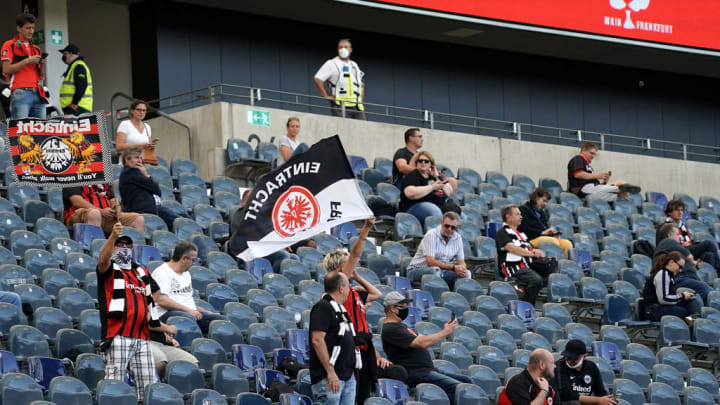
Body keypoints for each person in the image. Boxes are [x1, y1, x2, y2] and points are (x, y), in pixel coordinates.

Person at [322, 218, 406, 405]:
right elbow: (354, 256)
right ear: (338, 268)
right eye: (347, 264)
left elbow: (376, 294)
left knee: (363, 394)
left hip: (364, 347)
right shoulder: (336, 291)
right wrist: (366, 228)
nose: (353, 266)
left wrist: (358, 278)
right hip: (349, 349)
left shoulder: (354, 292)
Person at [96, 223, 159, 402]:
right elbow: (102, 261)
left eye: (127, 246)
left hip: (143, 337)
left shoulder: (141, 271)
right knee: (114, 385)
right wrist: (112, 237)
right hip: (118, 335)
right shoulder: (109, 269)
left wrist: (149, 312)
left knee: (149, 387)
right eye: (120, 245)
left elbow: (154, 292)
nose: (124, 248)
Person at [381, 291, 472, 404]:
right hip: (417, 374)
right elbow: (421, 343)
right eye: (403, 306)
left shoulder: (400, 326)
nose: (406, 309)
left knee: (467, 381)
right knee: (459, 388)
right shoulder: (391, 329)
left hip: (428, 370)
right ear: (393, 309)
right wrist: (445, 332)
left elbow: (422, 340)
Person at [152, 241, 226, 333]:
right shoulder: (162, 272)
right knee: (190, 318)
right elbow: (162, 300)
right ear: (184, 259)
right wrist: (189, 311)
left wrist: (205, 311)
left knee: (221, 320)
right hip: (166, 314)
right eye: (193, 260)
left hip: (187, 312)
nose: (194, 263)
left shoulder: (186, 274)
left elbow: (186, 301)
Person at [309, 271, 357, 405]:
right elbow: (317, 340)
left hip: (346, 376)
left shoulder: (340, 310)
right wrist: (330, 371)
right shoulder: (323, 306)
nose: (349, 290)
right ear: (341, 288)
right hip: (329, 378)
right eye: (348, 286)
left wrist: (350, 371)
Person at [119, 147, 189, 229]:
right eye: (136, 158)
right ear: (127, 159)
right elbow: (156, 190)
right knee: (181, 223)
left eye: (140, 158)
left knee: (185, 216)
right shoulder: (131, 172)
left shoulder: (131, 173)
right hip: (144, 211)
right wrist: (145, 174)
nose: (140, 161)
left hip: (151, 209)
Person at [496, 204, 549, 305]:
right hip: (513, 267)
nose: (521, 217)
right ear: (508, 216)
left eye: (520, 214)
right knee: (536, 280)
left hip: (528, 266)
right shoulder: (502, 232)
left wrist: (537, 252)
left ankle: (524, 289)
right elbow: (511, 248)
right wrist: (532, 254)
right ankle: (527, 304)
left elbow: (529, 248)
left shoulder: (521, 234)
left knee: (551, 272)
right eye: (517, 214)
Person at [1, 13, 47, 119]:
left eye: (32, 28)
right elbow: (6, 70)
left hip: (39, 93)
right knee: (20, 132)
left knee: (41, 133)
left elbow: (41, 76)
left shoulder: (36, 49)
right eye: (27, 28)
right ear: (19, 28)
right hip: (20, 92)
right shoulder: (10, 44)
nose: (31, 31)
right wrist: (28, 60)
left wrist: (41, 64)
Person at [406, 211, 468, 289]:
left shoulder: (458, 238)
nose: (449, 229)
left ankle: (456, 299)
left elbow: (462, 262)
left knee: (466, 274)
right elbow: (430, 262)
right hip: (416, 270)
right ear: (441, 223)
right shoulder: (431, 235)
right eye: (447, 226)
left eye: (453, 227)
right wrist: (453, 268)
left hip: (442, 271)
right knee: (435, 270)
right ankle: (436, 297)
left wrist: (462, 269)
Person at [654, 223, 711, 302]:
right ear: (669, 235)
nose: (680, 237)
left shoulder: (670, 248)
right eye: (677, 234)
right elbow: (689, 256)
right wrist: (694, 262)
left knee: (711, 291)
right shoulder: (668, 242)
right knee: (705, 289)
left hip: (686, 279)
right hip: (679, 279)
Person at [567, 142, 639, 202]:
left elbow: (595, 184)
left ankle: (622, 190)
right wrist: (597, 176)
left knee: (619, 197)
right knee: (620, 184)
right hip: (582, 189)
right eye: (591, 153)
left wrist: (604, 182)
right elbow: (578, 174)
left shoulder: (588, 166)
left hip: (590, 194)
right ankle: (620, 187)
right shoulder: (578, 159)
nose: (593, 156)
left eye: (594, 154)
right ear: (583, 150)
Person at [398, 150, 456, 224]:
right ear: (416, 163)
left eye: (426, 161)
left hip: (436, 206)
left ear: (431, 164)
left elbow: (448, 192)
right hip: (414, 208)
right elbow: (410, 193)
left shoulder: (434, 177)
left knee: (460, 216)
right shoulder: (413, 175)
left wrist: (437, 175)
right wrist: (432, 187)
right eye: (420, 161)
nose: (423, 163)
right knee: (433, 210)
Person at [63, 183, 145, 235]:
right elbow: (76, 200)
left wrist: (116, 208)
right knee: (94, 213)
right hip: (80, 215)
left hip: (106, 215)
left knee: (138, 219)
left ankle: (136, 257)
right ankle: (94, 251)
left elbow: (112, 199)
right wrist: (100, 211)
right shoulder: (73, 175)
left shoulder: (103, 176)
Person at [313, 39, 365, 120]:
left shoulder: (354, 65)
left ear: (350, 50)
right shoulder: (331, 63)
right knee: (343, 131)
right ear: (338, 50)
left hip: (357, 107)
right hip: (341, 106)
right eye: (340, 47)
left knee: (362, 130)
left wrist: (360, 98)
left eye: (346, 47)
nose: (343, 49)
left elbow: (360, 83)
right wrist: (326, 96)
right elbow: (318, 79)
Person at [642, 251, 702, 322]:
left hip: (662, 307)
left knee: (692, 302)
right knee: (683, 312)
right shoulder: (663, 273)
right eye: (680, 267)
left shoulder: (669, 276)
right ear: (671, 262)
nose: (680, 270)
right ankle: (692, 325)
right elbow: (663, 299)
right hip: (653, 309)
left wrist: (684, 298)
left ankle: (694, 323)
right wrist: (682, 296)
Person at [552, 340, 615, 405]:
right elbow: (567, 395)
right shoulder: (559, 366)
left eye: (574, 359)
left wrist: (608, 400)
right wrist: (598, 400)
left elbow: (600, 392)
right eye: (567, 358)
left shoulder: (591, 367)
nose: (569, 361)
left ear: (584, 357)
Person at [664, 199, 720, 271]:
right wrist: (680, 245)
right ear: (669, 213)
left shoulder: (682, 226)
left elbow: (688, 241)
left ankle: (713, 275)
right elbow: (668, 244)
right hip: (678, 251)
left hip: (688, 249)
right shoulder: (666, 226)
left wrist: (687, 243)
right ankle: (719, 267)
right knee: (708, 244)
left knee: (710, 255)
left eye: (681, 210)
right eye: (677, 210)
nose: (680, 212)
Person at [519, 188, 573, 258]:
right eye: (544, 201)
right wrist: (541, 233)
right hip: (530, 239)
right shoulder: (524, 209)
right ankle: (551, 264)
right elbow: (524, 228)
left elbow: (545, 230)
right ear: (536, 198)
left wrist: (552, 234)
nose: (545, 204)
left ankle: (564, 265)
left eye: (546, 202)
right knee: (552, 242)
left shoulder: (542, 213)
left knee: (567, 243)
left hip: (542, 237)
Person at [58, 44, 92, 115]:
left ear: (70, 54)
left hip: (78, 108)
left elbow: (81, 86)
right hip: (76, 107)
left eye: (65, 54)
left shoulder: (78, 66)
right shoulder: (74, 66)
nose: (64, 57)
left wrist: (74, 103)